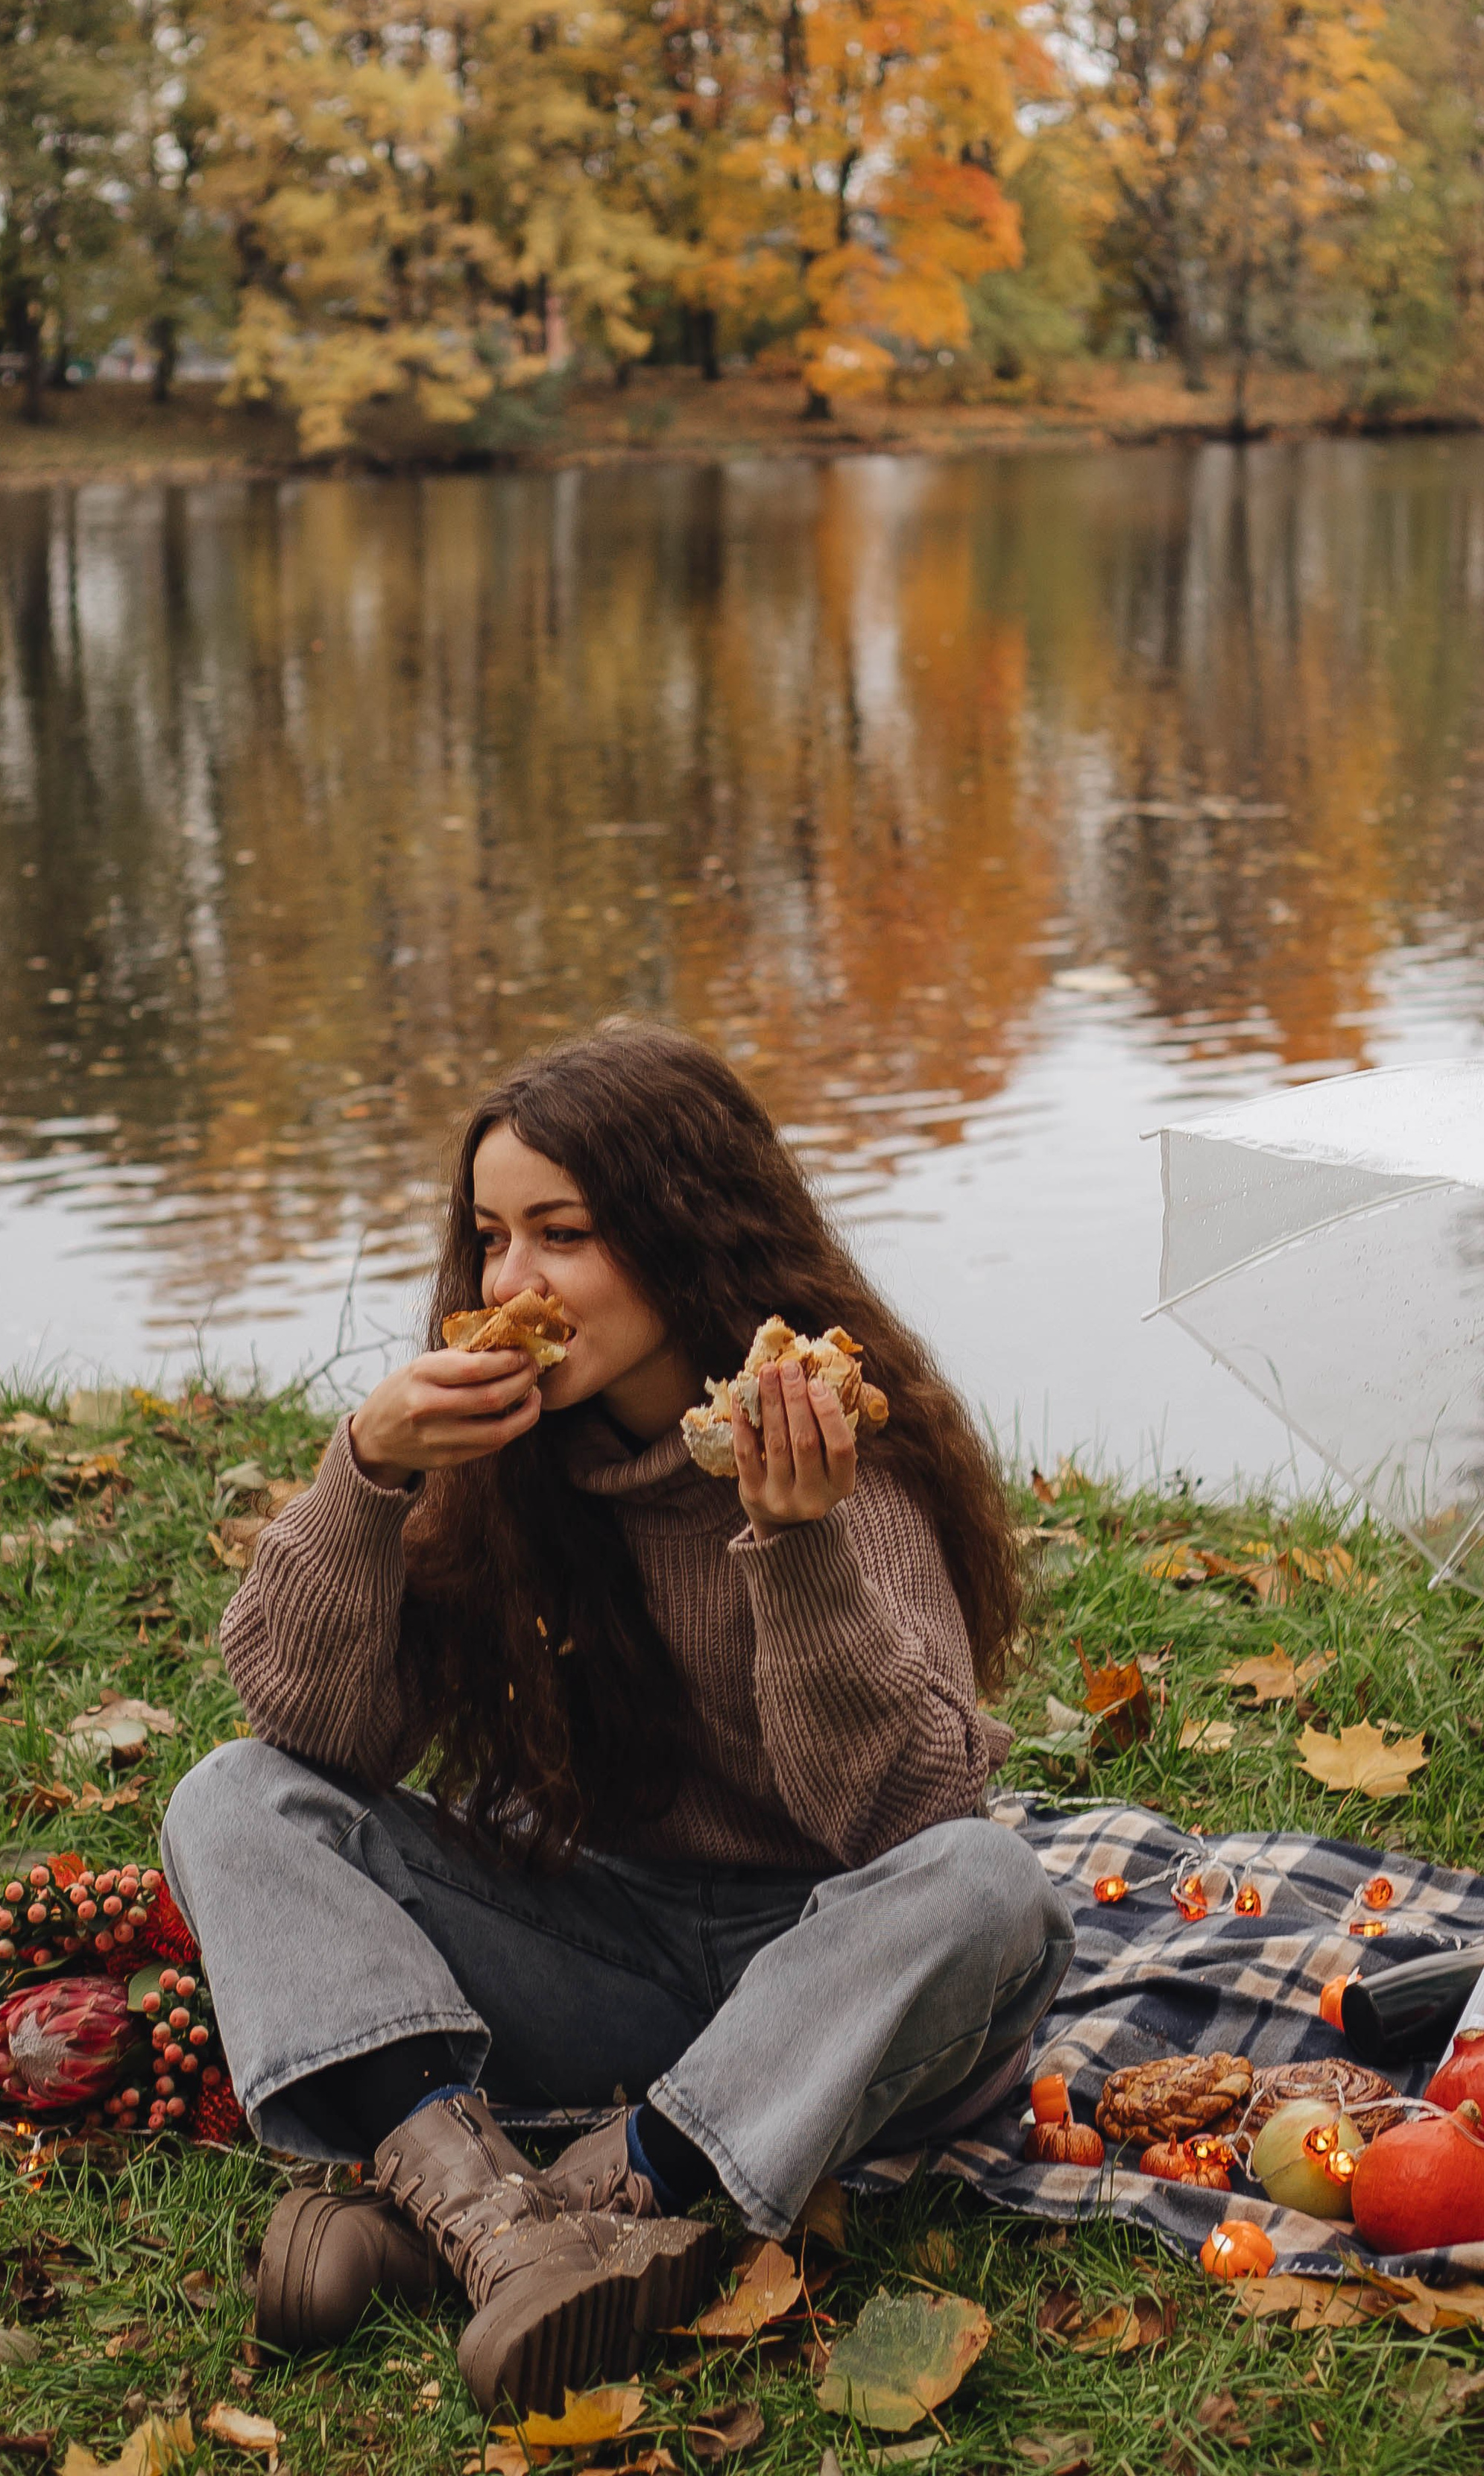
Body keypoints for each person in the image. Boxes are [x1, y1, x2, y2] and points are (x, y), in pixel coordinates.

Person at [160, 1022, 1073, 2410]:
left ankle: (615, 2192)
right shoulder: (494, 1462)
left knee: (993, 1885)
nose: (510, 1282)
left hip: (827, 1995)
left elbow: (904, 1821)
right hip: (602, 1954)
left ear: (682, 1234)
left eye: (563, 1234)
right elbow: (313, 1729)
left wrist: (799, 1545)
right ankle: (488, 2210)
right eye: (490, 1238)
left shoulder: (840, 1461)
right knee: (231, 1795)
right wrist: (366, 1476)